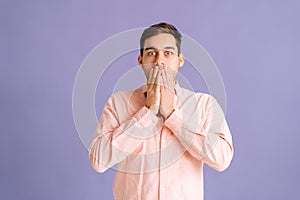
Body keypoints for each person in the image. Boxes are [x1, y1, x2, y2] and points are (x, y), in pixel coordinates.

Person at [89, 22, 234, 200]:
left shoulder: (204, 105)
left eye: (168, 53)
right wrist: (147, 113)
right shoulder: (118, 103)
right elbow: (99, 161)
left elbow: (222, 160)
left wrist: (172, 115)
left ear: (180, 60)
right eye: (151, 53)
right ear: (140, 61)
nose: (159, 61)